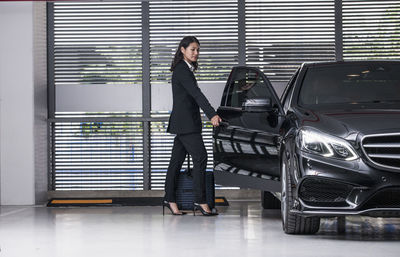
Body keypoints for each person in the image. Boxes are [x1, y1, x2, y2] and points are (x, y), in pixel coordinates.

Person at [163, 36, 222, 216]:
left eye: (198, 50)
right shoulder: (182, 70)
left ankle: (170, 199)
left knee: (176, 162)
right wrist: (211, 114)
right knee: (200, 157)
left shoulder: (184, 70)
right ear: (183, 50)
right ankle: (201, 201)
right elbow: (197, 94)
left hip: (184, 124)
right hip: (186, 125)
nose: (196, 53)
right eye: (193, 49)